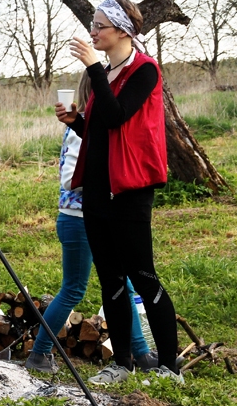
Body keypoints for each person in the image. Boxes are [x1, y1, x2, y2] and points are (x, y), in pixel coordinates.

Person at [56, 0, 182, 384]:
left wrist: (93, 69)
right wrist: (77, 122)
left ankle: (169, 368)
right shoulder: (106, 75)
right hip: (95, 192)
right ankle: (121, 364)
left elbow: (116, 116)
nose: (93, 31)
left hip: (130, 190)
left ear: (122, 31)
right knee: (110, 278)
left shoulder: (145, 70)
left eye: (99, 25)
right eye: (92, 25)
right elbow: (102, 133)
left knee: (142, 275)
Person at [25, 72, 156, 376]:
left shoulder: (95, 126)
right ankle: (40, 353)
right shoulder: (79, 127)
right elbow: (71, 178)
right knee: (73, 289)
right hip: (79, 219)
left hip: (97, 217)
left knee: (121, 283)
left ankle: (142, 353)